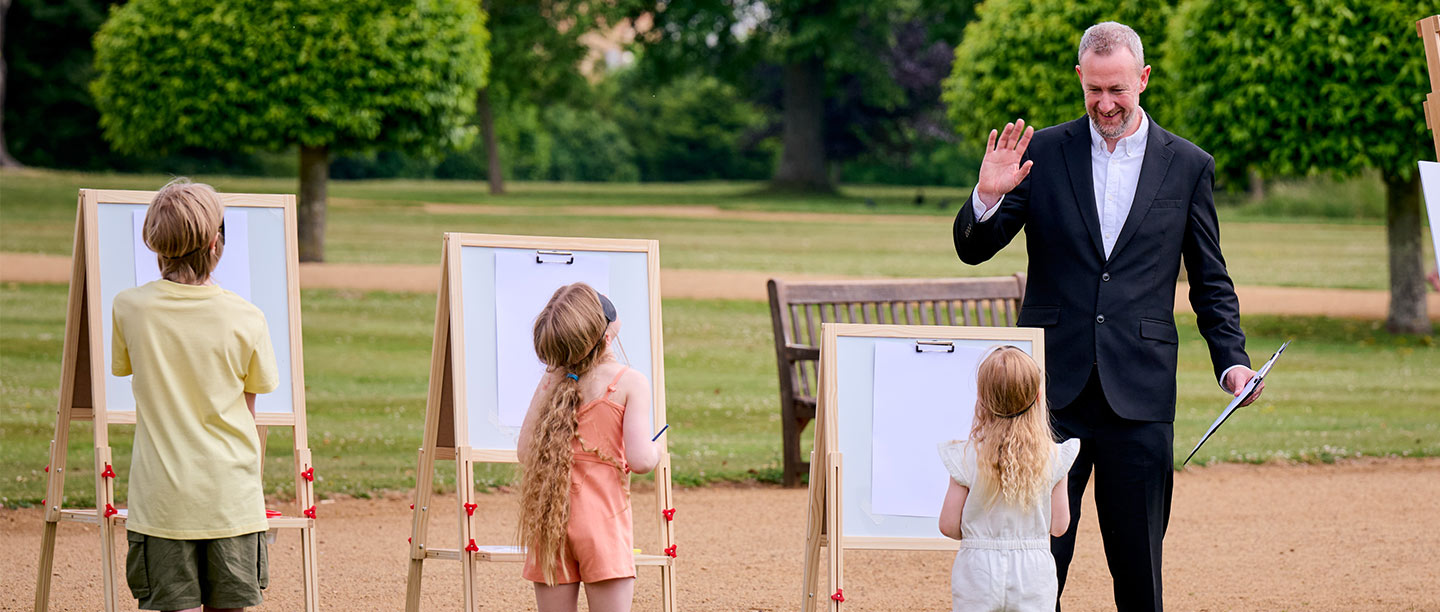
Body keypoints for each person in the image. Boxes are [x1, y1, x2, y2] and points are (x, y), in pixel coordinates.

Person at [952, 22, 1263, 612]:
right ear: (1080, 79)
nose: (1106, 103)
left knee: (1140, 569)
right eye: (1094, 90)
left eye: (1118, 89)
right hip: (1047, 399)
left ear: (1143, 79)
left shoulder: (1189, 165)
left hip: (1141, 395)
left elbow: (1210, 279)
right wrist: (985, 198)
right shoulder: (1040, 153)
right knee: (1036, 567)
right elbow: (973, 246)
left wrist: (1233, 364)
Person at [112, 179, 278, 612]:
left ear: (154, 243)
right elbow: (250, 411)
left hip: (162, 502)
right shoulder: (248, 317)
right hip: (233, 500)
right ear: (214, 241)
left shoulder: (129, 308)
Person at [517, 283, 662, 612]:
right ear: (607, 338)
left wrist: (553, 373)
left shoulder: (554, 382)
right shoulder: (629, 381)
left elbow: (525, 452)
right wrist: (656, 448)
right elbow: (640, 460)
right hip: (603, 523)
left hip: (550, 523)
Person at [938, 346, 1080, 612]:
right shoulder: (1053, 457)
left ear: (981, 399)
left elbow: (948, 525)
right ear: (1038, 397)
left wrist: (975, 532)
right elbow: (1059, 526)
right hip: (1033, 572)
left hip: (977, 571)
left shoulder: (966, 456)